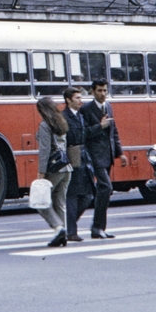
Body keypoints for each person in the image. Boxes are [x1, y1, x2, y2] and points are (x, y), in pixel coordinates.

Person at [82, 80, 122, 240]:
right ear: (92, 92)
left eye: (105, 90)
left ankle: (99, 228)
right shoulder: (86, 109)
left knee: (104, 191)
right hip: (94, 156)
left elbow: (114, 131)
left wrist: (120, 153)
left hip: (108, 155)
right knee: (105, 187)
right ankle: (96, 227)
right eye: (99, 91)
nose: (103, 93)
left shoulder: (109, 106)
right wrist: (100, 126)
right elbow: (83, 133)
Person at [35, 95, 71, 248]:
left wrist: (41, 172)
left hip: (54, 168)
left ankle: (58, 228)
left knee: (41, 202)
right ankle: (63, 235)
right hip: (67, 167)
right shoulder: (61, 123)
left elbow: (45, 150)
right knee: (60, 201)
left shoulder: (45, 125)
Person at [63, 88, 94, 243]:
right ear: (68, 100)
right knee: (73, 195)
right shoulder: (64, 117)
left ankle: (68, 225)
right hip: (72, 156)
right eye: (77, 98)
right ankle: (71, 231)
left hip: (84, 156)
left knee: (88, 194)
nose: (80, 100)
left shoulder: (80, 116)